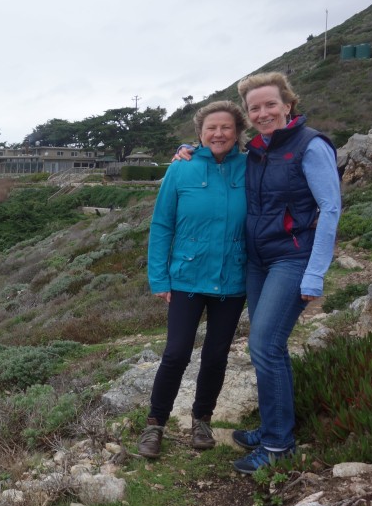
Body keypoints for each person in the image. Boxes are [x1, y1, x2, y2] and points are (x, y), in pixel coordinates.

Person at [174, 72, 342, 473]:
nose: (263, 112)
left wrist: (315, 273)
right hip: (258, 260)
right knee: (266, 347)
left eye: (270, 104)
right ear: (249, 116)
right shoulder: (258, 151)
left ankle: (278, 445)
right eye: (255, 108)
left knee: (265, 345)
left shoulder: (311, 146)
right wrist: (189, 149)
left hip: (292, 258)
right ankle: (272, 425)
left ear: (288, 104)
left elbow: (331, 208)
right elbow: (219, 158)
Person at [138, 101, 249, 459]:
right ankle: (155, 424)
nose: (219, 134)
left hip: (232, 278)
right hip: (186, 277)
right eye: (211, 128)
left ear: (238, 133)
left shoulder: (252, 167)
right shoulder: (180, 170)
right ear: (199, 134)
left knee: (216, 356)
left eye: (226, 128)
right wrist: (159, 277)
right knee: (175, 353)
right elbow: (162, 224)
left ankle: (202, 420)